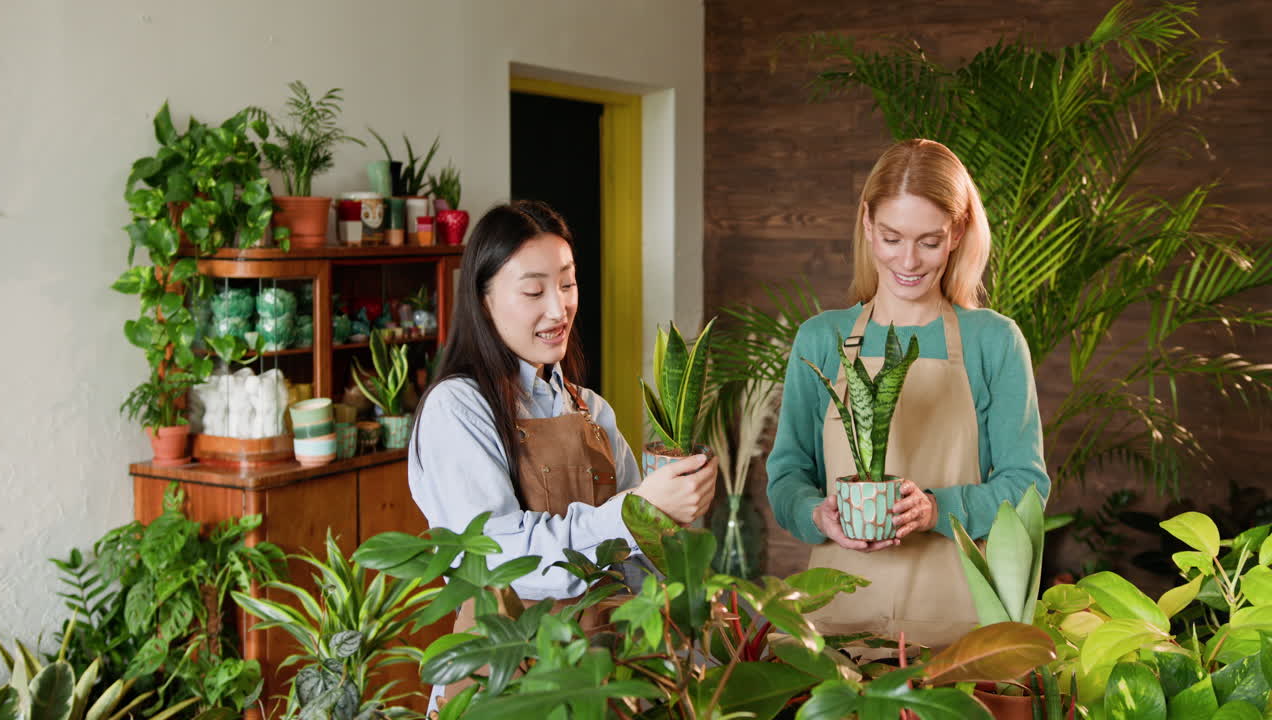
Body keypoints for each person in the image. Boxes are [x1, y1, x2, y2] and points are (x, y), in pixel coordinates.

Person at [409, 199, 718, 700]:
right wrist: (636, 511)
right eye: (534, 291)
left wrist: (672, 515)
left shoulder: (591, 408)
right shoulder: (457, 408)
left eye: (568, 284)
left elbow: (635, 557)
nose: (558, 309)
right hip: (507, 678)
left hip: (603, 673)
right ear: (482, 299)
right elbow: (501, 556)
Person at [765, 139, 1050, 648]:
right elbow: (787, 476)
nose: (909, 261)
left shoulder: (993, 341)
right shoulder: (821, 339)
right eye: (892, 238)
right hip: (837, 628)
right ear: (867, 224)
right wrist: (816, 514)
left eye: (930, 241)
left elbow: (1027, 486)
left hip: (958, 632)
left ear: (957, 232)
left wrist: (936, 510)